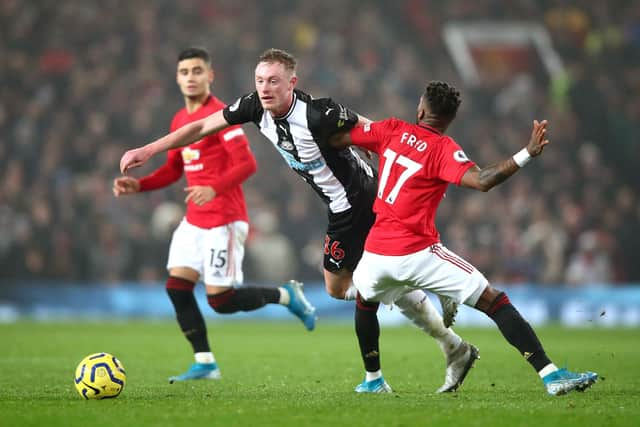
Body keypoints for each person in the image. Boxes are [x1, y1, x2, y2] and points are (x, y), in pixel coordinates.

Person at [119, 48, 478, 393]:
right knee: (358, 285)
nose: (265, 88)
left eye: (274, 81)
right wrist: (148, 150)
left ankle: (422, 330)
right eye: (260, 80)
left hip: (357, 203)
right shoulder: (251, 107)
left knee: (346, 287)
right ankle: (451, 342)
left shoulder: (319, 113)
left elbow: (372, 126)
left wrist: (386, 150)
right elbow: (200, 128)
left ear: (292, 83)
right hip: (343, 207)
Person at [329, 80, 598, 396]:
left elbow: (337, 137)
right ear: (449, 119)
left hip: (374, 255)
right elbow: (484, 181)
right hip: (417, 252)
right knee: (494, 300)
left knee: (366, 301)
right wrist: (527, 153)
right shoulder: (443, 149)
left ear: (421, 109)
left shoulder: (391, 129)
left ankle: (373, 379)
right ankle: (552, 375)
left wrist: (360, 144)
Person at [113, 47, 316, 383]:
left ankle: (286, 295)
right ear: (177, 78)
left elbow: (247, 163)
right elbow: (174, 169)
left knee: (220, 301)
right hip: (194, 220)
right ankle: (205, 361)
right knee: (178, 288)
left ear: (210, 76)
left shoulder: (221, 115)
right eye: (184, 72)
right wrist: (140, 186)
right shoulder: (180, 121)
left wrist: (214, 189)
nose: (190, 78)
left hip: (224, 217)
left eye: (197, 71)